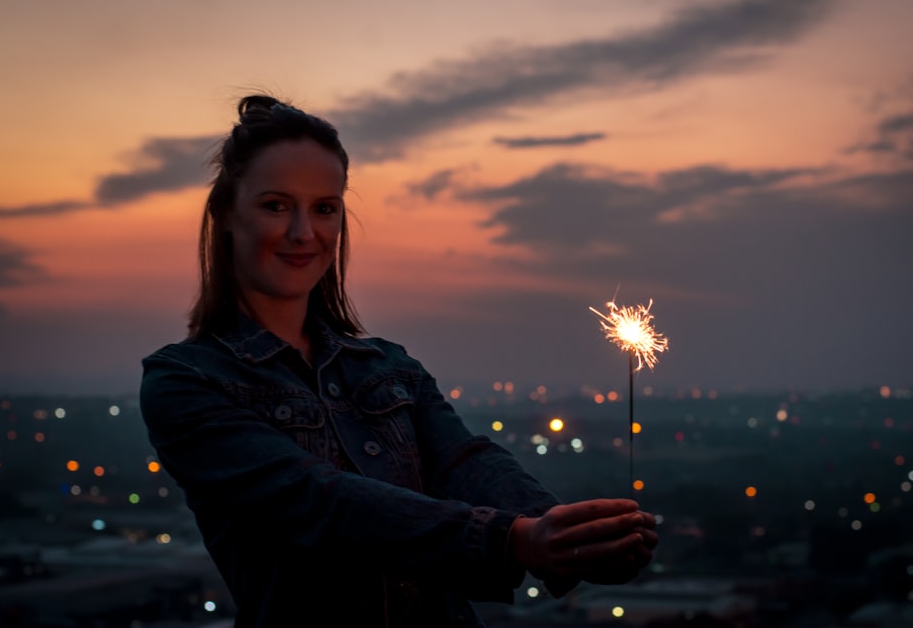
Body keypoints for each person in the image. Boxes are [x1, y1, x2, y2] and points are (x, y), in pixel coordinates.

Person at [139, 95, 657, 627]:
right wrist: (514, 540)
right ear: (227, 213)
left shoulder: (389, 367)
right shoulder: (187, 381)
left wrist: (565, 531)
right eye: (275, 205)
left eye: (324, 207)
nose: (303, 232)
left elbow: (464, 460)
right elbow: (318, 504)